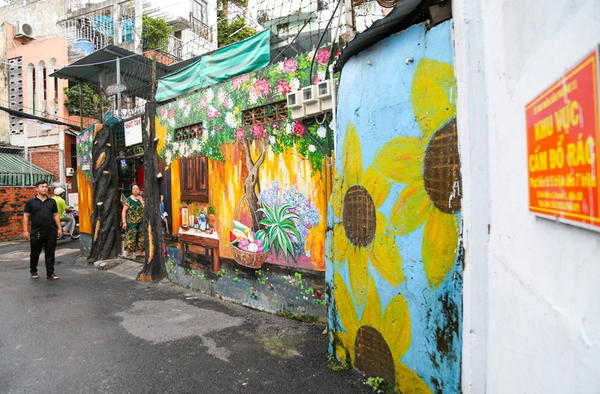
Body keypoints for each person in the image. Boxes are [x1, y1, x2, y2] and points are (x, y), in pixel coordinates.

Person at [23, 180, 62, 280]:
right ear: (36, 189)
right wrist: (25, 230)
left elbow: (56, 215)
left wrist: (59, 228)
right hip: (37, 231)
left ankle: (50, 273)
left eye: (46, 186)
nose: (45, 188)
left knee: (50, 253)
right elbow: (26, 216)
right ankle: (33, 271)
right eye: (42, 187)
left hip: (51, 231)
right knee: (35, 252)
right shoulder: (31, 202)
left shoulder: (52, 201)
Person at [122, 183, 144, 258]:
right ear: (131, 190)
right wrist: (124, 222)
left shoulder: (141, 199)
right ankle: (132, 253)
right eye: (134, 189)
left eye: (137, 189)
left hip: (141, 222)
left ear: (139, 190)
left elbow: (146, 209)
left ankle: (142, 252)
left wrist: (141, 200)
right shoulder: (129, 200)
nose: (135, 190)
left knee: (141, 237)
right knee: (131, 237)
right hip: (131, 223)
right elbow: (124, 211)